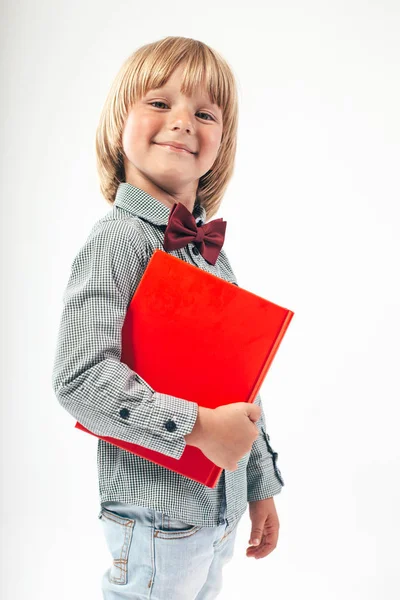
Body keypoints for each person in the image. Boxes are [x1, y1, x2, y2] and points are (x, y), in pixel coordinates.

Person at [52, 35, 285, 599]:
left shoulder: (211, 255)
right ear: (119, 123)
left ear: (220, 143)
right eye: (159, 103)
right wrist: (200, 429)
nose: (183, 122)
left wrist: (259, 485)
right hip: (155, 515)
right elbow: (79, 380)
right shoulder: (114, 244)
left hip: (216, 512)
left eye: (204, 113)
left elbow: (240, 385)